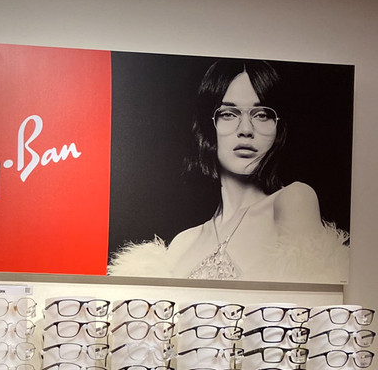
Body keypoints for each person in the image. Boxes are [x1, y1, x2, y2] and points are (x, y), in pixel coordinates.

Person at [109, 59, 348, 282]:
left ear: (278, 128)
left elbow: (308, 303)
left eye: (261, 114)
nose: (246, 129)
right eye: (229, 114)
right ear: (209, 126)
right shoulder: (183, 243)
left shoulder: (294, 199)